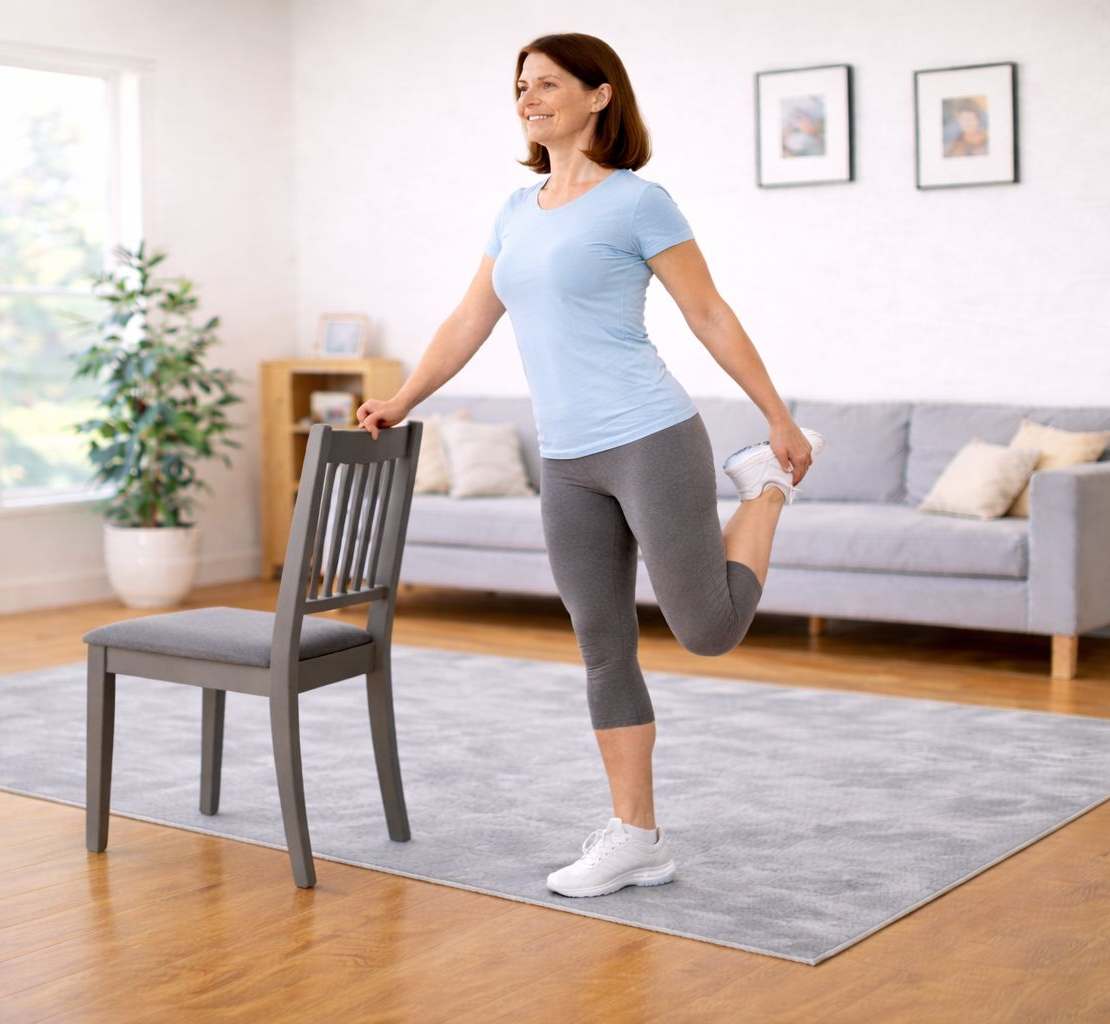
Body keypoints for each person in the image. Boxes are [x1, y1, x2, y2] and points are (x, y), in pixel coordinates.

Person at [354, 33, 826, 899]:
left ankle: (764, 486)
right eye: (520, 86)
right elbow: (468, 319)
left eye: (547, 83)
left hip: (650, 435)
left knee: (708, 631)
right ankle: (635, 836)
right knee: (602, 647)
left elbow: (708, 314)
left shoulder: (639, 202)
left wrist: (777, 414)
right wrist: (403, 397)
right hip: (566, 460)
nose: (528, 98)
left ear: (599, 96)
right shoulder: (513, 209)